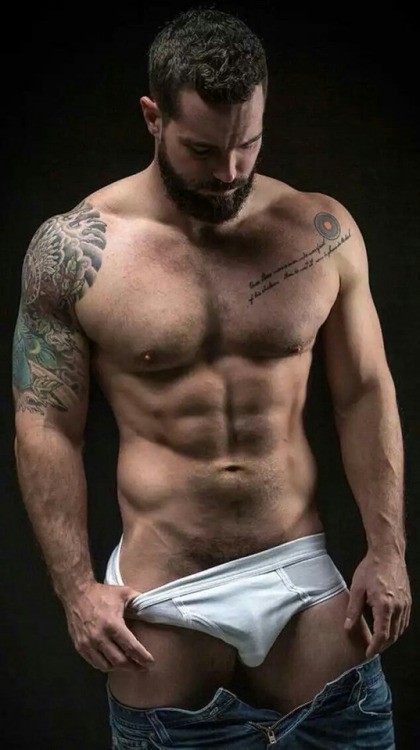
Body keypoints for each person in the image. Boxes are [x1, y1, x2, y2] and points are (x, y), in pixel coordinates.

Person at [12, 7, 411, 749]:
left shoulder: (320, 231)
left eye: (247, 143)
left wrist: (389, 550)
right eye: (202, 149)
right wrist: (75, 591)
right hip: (166, 597)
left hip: (301, 581)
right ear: (153, 117)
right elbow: (45, 425)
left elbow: (365, 393)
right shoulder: (76, 251)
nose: (229, 172)